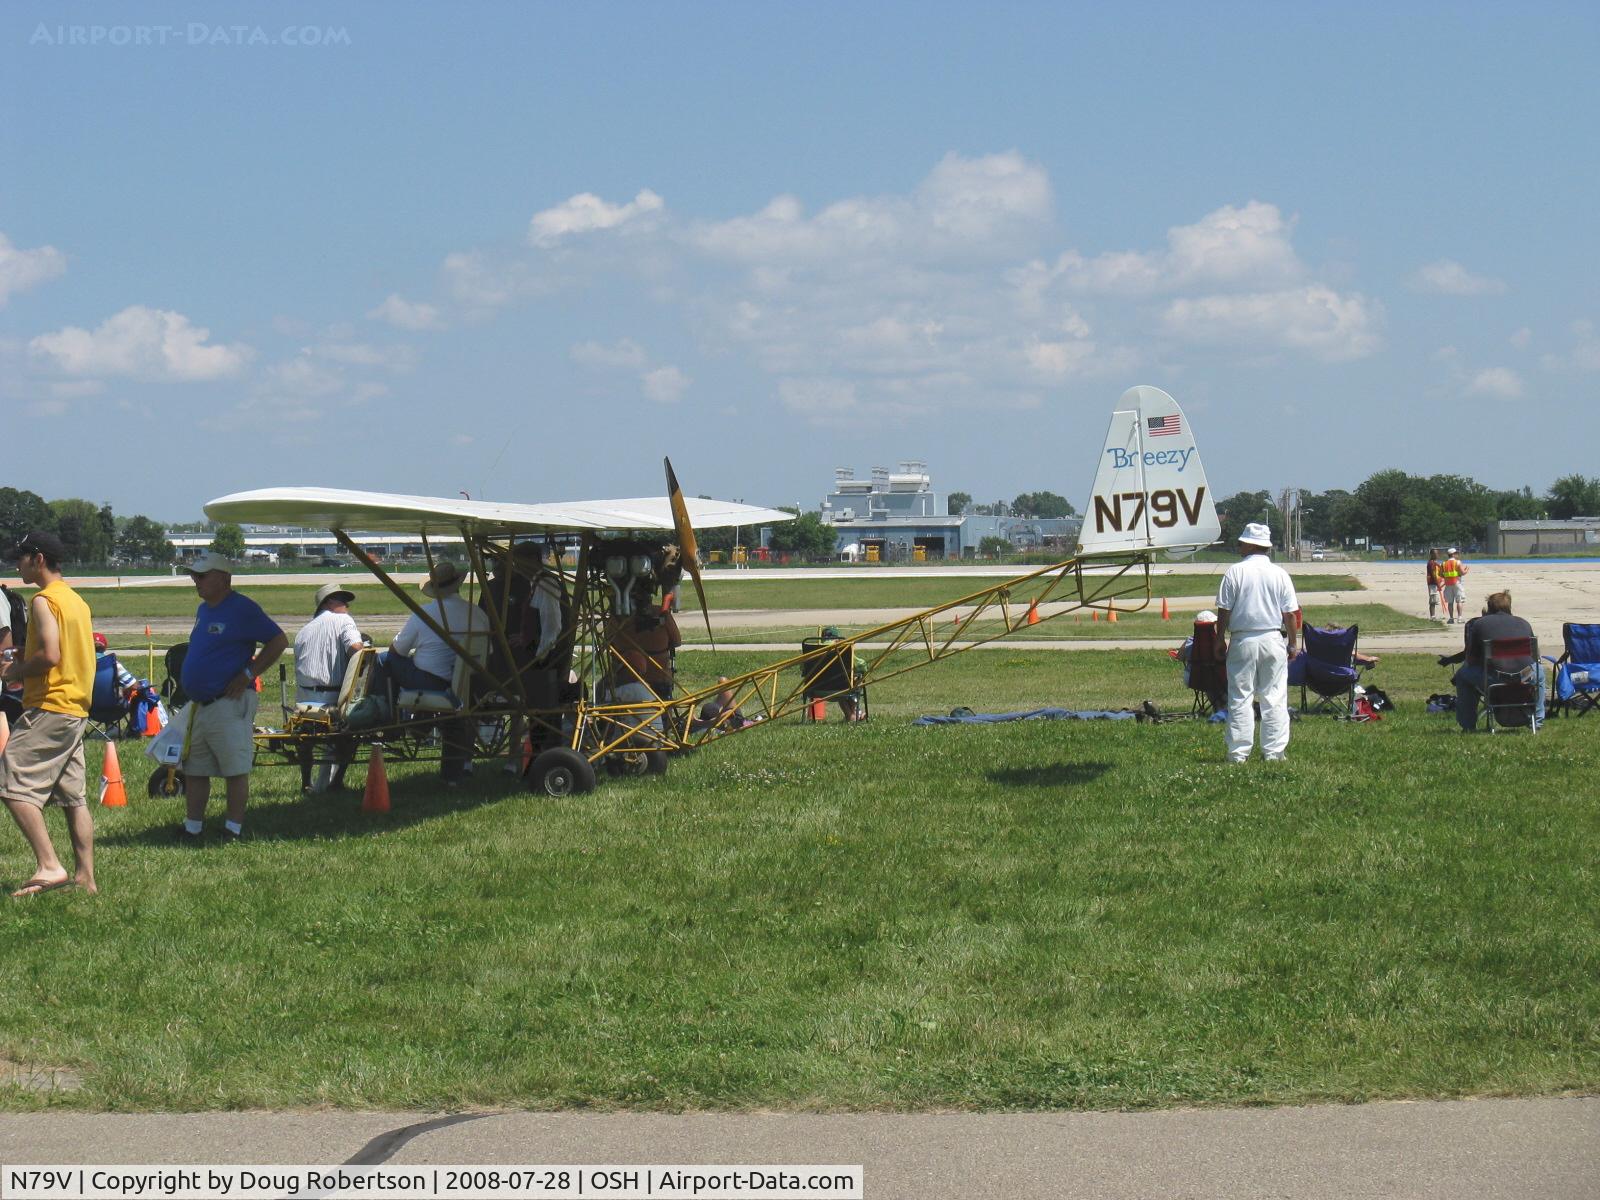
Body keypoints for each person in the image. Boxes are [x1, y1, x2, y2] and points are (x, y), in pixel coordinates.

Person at [0, 531, 97, 895]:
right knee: (74, 798)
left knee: (10, 782)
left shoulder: (42, 601)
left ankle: (49, 865)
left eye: (21, 557)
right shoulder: (75, 601)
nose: (17, 563)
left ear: (38, 559)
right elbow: (66, 652)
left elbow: (51, 656)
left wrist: (14, 671)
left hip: (50, 706)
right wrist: (25, 653)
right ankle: (85, 878)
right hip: (75, 707)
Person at [177, 552, 288, 843]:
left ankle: (233, 828)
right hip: (201, 704)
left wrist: (248, 674)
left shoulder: (242, 609)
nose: (195, 581)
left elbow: (278, 641)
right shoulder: (204, 610)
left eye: (201, 576)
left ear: (223, 578)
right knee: (195, 768)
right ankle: (193, 827)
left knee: (234, 768)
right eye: (193, 576)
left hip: (227, 702)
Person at [370, 561, 489, 783]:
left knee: (384, 659)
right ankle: (448, 773)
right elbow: (487, 651)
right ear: (457, 585)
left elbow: (398, 650)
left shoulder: (424, 613)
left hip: (432, 682)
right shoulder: (477, 613)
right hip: (467, 684)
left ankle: (387, 720)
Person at [1214, 522, 1300, 763]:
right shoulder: (1280, 574)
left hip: (1243, 638)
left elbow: (1224, 610)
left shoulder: (1234, 572)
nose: (1239, 545)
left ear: (1251, 544)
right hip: (1272, 637)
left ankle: (1238, 753)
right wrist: (1293, 643)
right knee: (1274, 697)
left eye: (1242, 542)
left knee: (1240, 696)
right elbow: (1290, 614)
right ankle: (1274, 752)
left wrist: (1220, 638)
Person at [293, 582, 365, 792]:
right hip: (333, 699)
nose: (347, 606)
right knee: (354, 730)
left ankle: (307, 782)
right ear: (329, 602)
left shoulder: (304, 630)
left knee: (307, 738)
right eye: (343, 601)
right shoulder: (343, 620)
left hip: (304, 700)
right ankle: (336, 782)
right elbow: (356, 649)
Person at [1437, 590, 1544, 731]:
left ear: (1489, 607)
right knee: (1540, 672)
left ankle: (1468, 724)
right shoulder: (1524, 623)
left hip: (1494, 679)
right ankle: (1537, 720)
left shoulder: (1480, 624)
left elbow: (1471, 658)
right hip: (1524, 677)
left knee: (1463, 675)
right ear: (1509, 607)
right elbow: (1534, 658)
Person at [1439, 547, 1469, 624]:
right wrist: (1466, 570)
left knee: (1450, 602)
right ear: (1453, 554)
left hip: (1448, 584)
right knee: (1459, 600)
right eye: (1456, 553)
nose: (1457, 555)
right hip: (1457, 583)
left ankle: (1451, 618)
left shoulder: (1444, 563)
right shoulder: (1458, 562)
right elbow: (1462, 573)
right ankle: (1459, 618)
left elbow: (1440, 574)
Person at [1425, 549, 1443, 621]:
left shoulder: (1435, 562)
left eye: (1438, 553)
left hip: (1434, 583)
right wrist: (1438, 584)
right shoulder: (1431, 563)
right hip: (1432, 583)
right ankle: (1432, 616)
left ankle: (1433, 616)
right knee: (1432, 600)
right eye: (1435, 553)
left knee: (1434, 600)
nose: (1437, 555)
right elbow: (1433, 574)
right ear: (1431, 554)